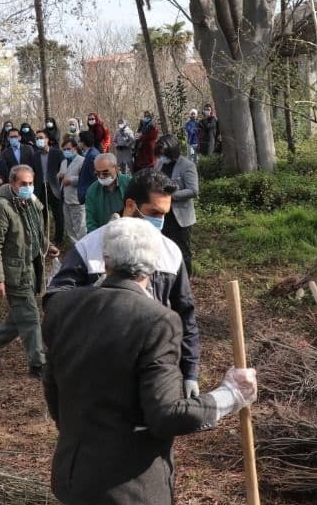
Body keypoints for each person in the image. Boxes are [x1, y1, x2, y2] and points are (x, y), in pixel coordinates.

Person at [43, 217, 257, 505]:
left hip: (75, 482)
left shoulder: (62, 307)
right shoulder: (157, 320)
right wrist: (230, 395)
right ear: (154, 267)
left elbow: (52, 387)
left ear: (107, 261)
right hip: (134, 497)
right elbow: (166, 414)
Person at [47, 168, 201, 395]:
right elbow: (54, 301)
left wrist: (190, 372)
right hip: (102, 367)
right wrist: (96, 291)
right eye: (154, 213)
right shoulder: (91, 247)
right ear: (130, 205)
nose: (160, 222)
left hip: (155, 366)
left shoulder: (170, 252)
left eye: (164, 215)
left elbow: (185, 314)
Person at [0, 165, 59, 378]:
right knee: (30, 316)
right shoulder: (1, 207)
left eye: (31, 183)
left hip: (30, 266)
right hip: (13, 270)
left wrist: (46, 245)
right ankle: (38, 364)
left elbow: (33, 230)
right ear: (12, 183)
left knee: (21, 314)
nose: (28, 187)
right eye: (23, 184)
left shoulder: (29, 202)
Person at [155, 134, 199, 276]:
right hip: (162, 214)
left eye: (164, 153)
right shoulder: (160, 164)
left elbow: (193, 190)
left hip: (180, 216)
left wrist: (170, 195)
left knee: (182, 250)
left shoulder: (187, 165)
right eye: (159, 154)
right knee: (164, 248)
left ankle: (186, 278)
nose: (161, 156)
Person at [84, 153, 132, 233]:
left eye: (105, 172)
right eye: (97, 173)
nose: (101, 176)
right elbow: (91, 223)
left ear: (116, 168)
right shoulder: (92, 191)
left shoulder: (129, 184)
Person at [34, 129, 65, 247]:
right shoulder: (35, 155)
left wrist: (61, 175)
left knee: (58, 216)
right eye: (37, 138)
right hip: (40, 189)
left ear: (47, 139)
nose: (39, 140)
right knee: (42, 216)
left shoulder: (57, 153)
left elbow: (64, 167)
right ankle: (43, 240)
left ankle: (59, 240)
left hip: (54, 188)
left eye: (41, 138)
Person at [58, 137, 86, 245]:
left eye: (68, 149)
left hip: (76, 200)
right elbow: (62, 174)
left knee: (80, 228)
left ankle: (84, 249)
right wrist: (59, 175)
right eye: (64, 149)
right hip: (65, 199)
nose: (66, 151)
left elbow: (85, 179)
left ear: (75, 148)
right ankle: (75, 249)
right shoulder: (64, 162)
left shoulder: (82, 161)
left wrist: (71, 180)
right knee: (69, 227)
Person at [75, 131, 99, 205]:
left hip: (90, 195)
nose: (78, 143)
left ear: (83, 142)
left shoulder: (92, 156)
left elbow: (96, 178)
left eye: (79, 141)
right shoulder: (90, 153)